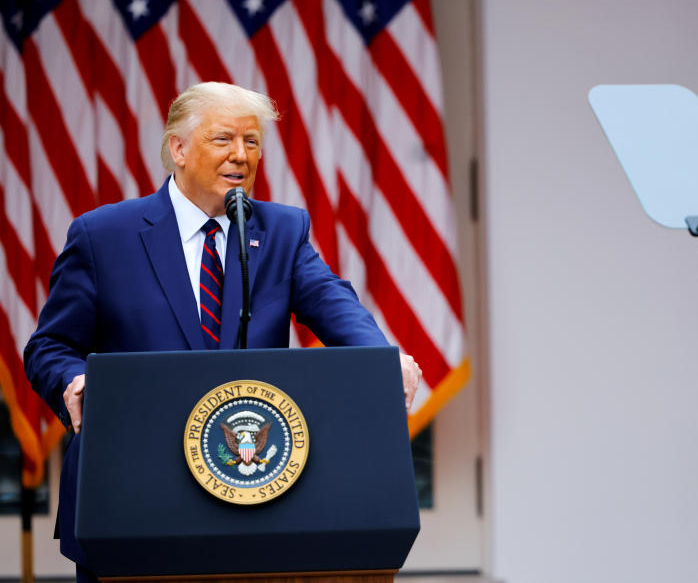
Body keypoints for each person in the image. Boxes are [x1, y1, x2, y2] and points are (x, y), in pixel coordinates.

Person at [23, 82, 422, 580]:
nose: (241, 155)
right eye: (223, 139)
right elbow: (50, 346)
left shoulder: (282, 231)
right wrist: (73, 381)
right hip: (130, 501)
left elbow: (337, 307)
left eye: (252, 142)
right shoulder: (104, 236)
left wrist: (383, 360)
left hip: (254, 500)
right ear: (178, 149)